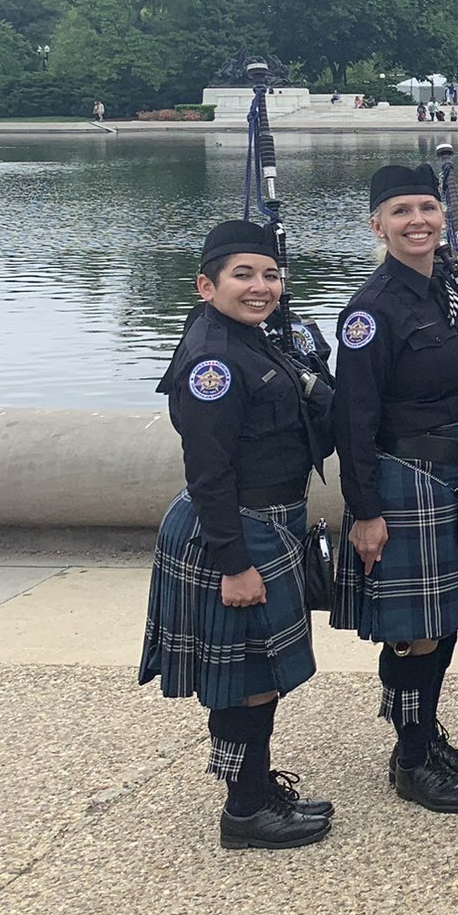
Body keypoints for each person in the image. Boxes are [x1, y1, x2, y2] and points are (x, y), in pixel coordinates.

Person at [330, 164, 458, 814]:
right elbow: (352, 420)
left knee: (439, 624)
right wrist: (365, 512)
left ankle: (424, 737)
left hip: (456, 473)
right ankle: (411, 760)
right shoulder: (369, 311)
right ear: (377, 225)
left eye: (426, 207)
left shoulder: (453, 287)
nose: (418, 220)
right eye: (401, 211)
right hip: (404, 481)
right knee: (412, 633)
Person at [138, 220, 336, 849]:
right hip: (236, 530)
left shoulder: (251, 339)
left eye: (271, 274)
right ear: (206, 284)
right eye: (243, 275)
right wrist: (234, 563)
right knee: (245, 679)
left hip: (267, 521)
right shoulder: (215, 362)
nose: (261, 287)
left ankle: (253, 793)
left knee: (261, 674)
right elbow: (209, 472)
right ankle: (245, 811)